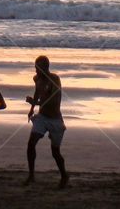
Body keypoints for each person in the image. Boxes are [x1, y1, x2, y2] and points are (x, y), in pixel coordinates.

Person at [24, 56, 69, 188]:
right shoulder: (36, 78)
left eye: (38, 68)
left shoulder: (55, 79)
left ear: (46, 68)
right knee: (31, 143)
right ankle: (31, 175)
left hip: (55, 119)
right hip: (42, 117)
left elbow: (53, 100)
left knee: (55, 152)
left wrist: (35, 102)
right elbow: (37, 92)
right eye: (35, 68)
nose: (36, 71)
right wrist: (32, 108)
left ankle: (64, 175)